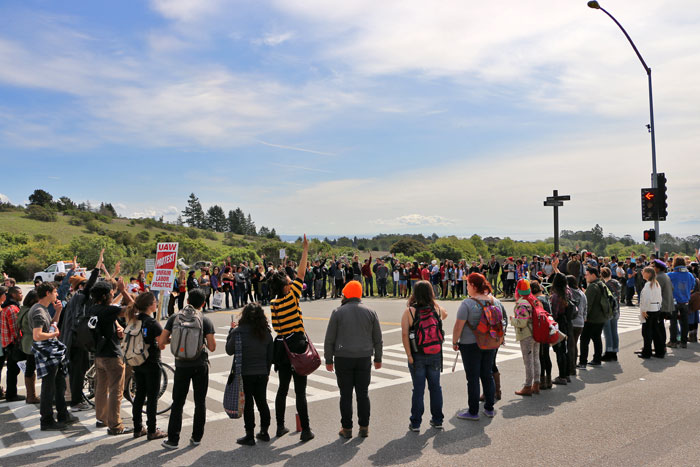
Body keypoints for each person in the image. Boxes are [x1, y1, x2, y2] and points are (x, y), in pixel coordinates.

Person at [268, 234, 314, 442]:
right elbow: (302, 273)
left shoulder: (274, 304)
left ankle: (279, 427)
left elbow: (277, 328)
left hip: (282, 347)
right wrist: (305, 250)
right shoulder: (293, 295)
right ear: (287, 286)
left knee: (282, 389)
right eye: (289, 279)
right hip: (297, 345)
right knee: (300, 391)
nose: (292, 278)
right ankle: (305, 430)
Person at [325, 280, 383, 438]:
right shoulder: (370, 311)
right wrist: (378, 358)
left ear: (346, 295)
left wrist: (328, 359)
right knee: (363, 394)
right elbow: (378, 338)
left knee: (345, 394)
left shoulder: (338, 312)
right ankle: (364, 427)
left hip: (343, 357)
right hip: (364, 357)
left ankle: (347, 428)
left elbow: (329, 338)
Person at [159, 288, 216, 449]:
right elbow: (212, 347)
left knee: (177, 402)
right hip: (199, 365)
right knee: (200, 402)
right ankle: (196, 437)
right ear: (203, 303)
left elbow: (161, 342)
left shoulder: (174, 318)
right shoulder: (205, 320)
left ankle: (173, 440)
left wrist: (177, 341)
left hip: (181, 365)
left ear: (187, 301)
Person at [452, 273, 505, 420]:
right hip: (490, 343)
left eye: (468, 284)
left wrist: (455, 342)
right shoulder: (495, 301)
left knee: (473, 378)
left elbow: (458, 326)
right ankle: (489, 408)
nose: (467, 287)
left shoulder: (467, 303)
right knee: (487, 375)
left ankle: (473, 411)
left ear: (474, 286)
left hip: (470, 344)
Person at [29, 282, 79, 430]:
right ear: (47, 293)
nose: (57, 294)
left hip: (51, 352)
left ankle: (63, 415)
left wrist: (57, 311)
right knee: (48, 387)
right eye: (55, 292)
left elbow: (50, 324)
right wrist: (54, 334)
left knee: (59, 384)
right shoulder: (38, 311)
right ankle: (47, 420)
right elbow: (37, 335)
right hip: (47, 353)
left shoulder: (42, 308)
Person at [400, 280, 446, 432]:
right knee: (435, 388)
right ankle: (438, 419)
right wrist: (434, 302)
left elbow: (405, 334)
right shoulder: (436, 309)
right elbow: (444, 315)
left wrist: (409, 355)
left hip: (417, 354)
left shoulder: (410, 311)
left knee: (418, 389)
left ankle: (416, 423)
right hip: (435, 353)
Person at [91, 278, 135, 435]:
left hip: (99, 355)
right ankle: (115, 425)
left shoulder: (92, 309)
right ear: (104, 296)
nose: (113, 294)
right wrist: (124, 291)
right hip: (112, 354)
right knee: (116, 390)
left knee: (101, 388)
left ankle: (101, 418)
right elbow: (134, 308)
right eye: (111, 293)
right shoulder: (109, 310)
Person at [226, 303, 273, 446]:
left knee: (248, 405)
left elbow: (229, 350)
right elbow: (270, 356)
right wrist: (266, 372)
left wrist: (231, 331)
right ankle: (264, 432)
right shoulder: (266, 332)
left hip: (245, 374)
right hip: (262, 373)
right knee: (262, 402)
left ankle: (250, 435)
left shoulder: (238, 332)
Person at [126, 292, 167, 440]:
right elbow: (162, 344)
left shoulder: (134, 319)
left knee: (139, 395)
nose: (156, 304)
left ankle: (137, 428)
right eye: (155, 302)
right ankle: (152, 430)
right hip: (151, 362)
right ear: (150, 305)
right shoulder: (152, 323)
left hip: (136, 362)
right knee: (152, 398)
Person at [512, 279, 540, 396]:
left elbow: (522, 322)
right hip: (537, 333)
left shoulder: (523, 303)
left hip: (527, 335)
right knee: (535, 359)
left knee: (528, 361)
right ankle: (536, 384)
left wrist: (512, 320)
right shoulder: (533, 300)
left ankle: (528, 386)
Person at [578, 267, 607, 369]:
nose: (585, 276)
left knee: (584, 339)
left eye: (587, 274)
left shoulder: (592, 287)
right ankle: (597, 359)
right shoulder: (602, 284)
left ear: (593, 275)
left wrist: (583, 317)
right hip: (601, 317)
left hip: (591, 318)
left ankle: (582, 362)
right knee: (596, 338)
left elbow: (588, 305)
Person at [1, 286, 25, 401]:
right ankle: (11, 394)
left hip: (7, 343)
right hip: (12, 344)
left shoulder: (6, 307)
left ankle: (11, 393)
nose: (22, 295)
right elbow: (15, 329)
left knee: (12, 370)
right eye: (20, 293)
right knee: (13, 370)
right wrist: (20, 342)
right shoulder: (12, 309)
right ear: (14, 295)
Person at [17, 290, 40, 404]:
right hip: (32, 341)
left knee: (30, 369)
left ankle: (31, 395)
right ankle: (31, 396)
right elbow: (34, 328)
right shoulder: (31, 311)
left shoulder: (23, 309)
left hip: (26, 341)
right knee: (31, 369)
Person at [667, 256, 697, 348]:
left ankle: (673, 341)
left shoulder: (671, 275)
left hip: (674, 301)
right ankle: (684, 342)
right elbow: (692, 288)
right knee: (684, 322)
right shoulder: (690, 275)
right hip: (685, 301)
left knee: (673, 322)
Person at [548, 274, 571, 384]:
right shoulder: (567, 292)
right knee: (564, 350)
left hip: (558, 324)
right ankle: (567, 374)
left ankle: (562, 377)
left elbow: (554, 313)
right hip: (566, 322)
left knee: (559, 350)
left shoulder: (555, 296)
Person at [638, 267, 663, 359]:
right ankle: (659, 351)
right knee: (656, 331)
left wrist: (644, 310)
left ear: (648, 273)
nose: (642, 273)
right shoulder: (656, 284)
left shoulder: (648, 284)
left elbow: (647, 299)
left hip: (649, 309)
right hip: (656, 308)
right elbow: (660, 298)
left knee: (646, 332)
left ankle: (647, 352)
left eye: (643, 272)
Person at [566, 275, 587, 376]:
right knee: (574, 344)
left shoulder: (570, 293)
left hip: (573, 321)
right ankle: (573, 366)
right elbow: (585, 308)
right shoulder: (582, 293)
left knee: (571, 345)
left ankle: (571, 368)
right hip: (581, 322)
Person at [601, 267, 621, 361]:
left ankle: (608, 351)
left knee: (607, 332)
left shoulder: (606, 285)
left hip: (609, 311)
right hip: (617, 310)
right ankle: (614, 352)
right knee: (614, 331)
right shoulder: (617, 283)